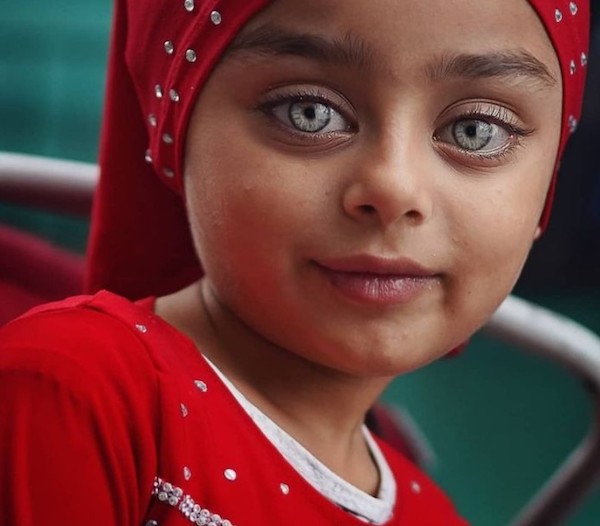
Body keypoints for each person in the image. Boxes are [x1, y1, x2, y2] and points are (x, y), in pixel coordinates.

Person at [0, 0, 590, 524]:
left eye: (475, 130)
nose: (394, 188)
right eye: (309, 113)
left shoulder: (432, 512)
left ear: (547, 187)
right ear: (173, 137)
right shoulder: (71, 397)